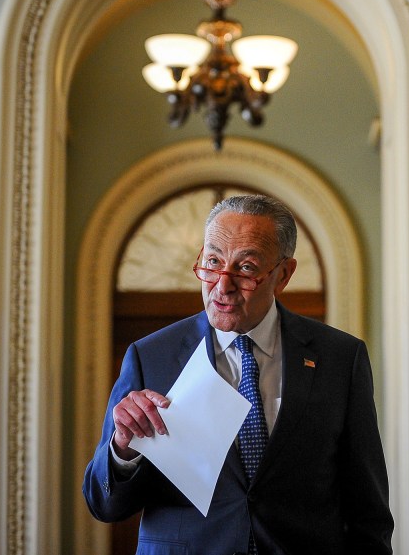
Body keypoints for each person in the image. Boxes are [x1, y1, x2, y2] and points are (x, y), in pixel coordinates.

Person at [83, 194, 393, 554]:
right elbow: (103, 504)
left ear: (283, 274)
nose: (222, 285)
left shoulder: (340, 358)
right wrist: (122, 449)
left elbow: (368, 512)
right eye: (213, 262)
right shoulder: (151, 356)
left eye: (245, 268)